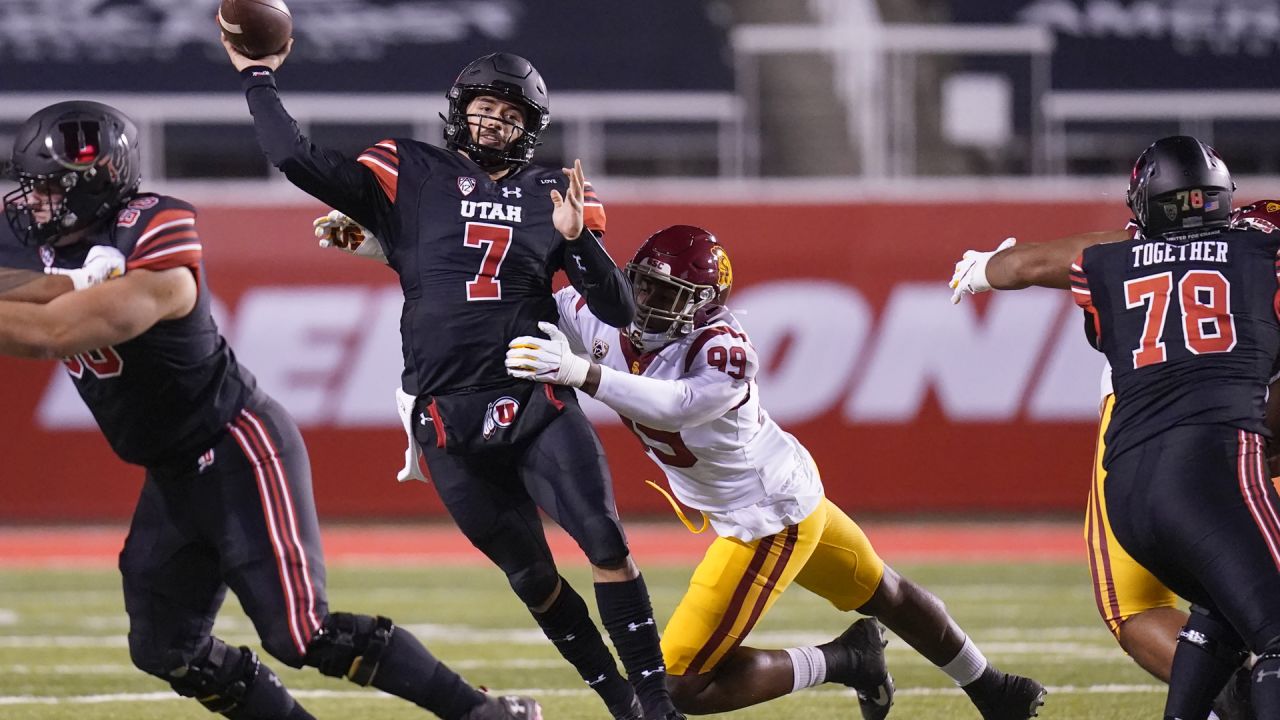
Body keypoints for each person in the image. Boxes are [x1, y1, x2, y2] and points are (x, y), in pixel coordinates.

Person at [0, 100, 539, 720]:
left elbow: (57, 330)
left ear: (92, 183)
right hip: (175, 470)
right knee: (165, 646)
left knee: (301, 634)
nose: (32, 202)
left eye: (46, 188)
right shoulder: (74, 256)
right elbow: (53, 289)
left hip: (237, 445)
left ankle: (483, 712)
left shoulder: (158, 236)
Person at [222, 34, 680, 720]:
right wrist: (257, 76)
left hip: (533, 400)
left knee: (606, 542)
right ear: (459, 110)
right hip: (444, 415)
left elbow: (617, 309)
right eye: (485, 106)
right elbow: (294, 156)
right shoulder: (410, 171)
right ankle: (620, 701)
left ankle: (655, 705)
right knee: (532, 578)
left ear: (531, 129)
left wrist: (578, 236)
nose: (494, 120)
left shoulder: (554, 191)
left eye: (511, 113)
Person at [503, 224, 1049, 719]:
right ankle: (996, 690)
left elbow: (677, 405)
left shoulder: (723, 347)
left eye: (667, 294)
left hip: (767, 515)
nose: (647, 302)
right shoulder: (590, 308)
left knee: (676, 685)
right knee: (887, 594)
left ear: (705, 305)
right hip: (778, 492)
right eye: (642, 284)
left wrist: (581, 371)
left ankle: (845, 660)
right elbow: (514, 331)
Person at [952, 135, 1280, 718]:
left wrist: (987, 269)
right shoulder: (1258, 258)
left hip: (1134, 464)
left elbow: (1043, 263)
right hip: (1227, 449)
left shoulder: (1113, 260)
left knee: (1197, 610)